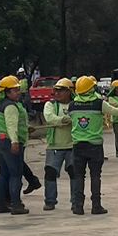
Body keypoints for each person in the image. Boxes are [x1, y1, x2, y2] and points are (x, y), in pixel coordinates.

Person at [66, 75, 118, 215]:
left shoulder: (72, 105)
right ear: (91, 88)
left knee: (79, 176)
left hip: (78, 145)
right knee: (95, 176)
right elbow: (116, 112)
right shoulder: (99, 103)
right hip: (94, 145)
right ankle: (96, 206)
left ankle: (78, 206)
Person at [0, 75, 31, 215]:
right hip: (9, 142)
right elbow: (11, 125)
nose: (18, 92)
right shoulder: (10, 106)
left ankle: (0, 204)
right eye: (14, 90)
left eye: (18, 89)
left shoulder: (1, 104)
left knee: (4, 174)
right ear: (6, 92)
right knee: (15, 174)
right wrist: (14, 141)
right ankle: (15, 204)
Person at [41, 78, 75, 211]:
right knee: (50, 172)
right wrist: (63, 119)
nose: (57, 93)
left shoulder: (75, 105)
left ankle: (76, 200)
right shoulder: (50, 105)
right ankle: (50, 201)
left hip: (72, 145)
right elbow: (50, 118)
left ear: (69, 91)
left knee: (74, 173)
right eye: (56, 90)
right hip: (54, 145)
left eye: (61, 91)